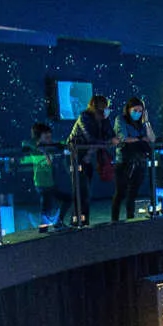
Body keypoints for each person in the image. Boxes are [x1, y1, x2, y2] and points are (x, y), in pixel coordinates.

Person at [65, 95, 114, 227]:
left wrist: (108, 141)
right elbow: (90, 138)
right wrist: (106, 142)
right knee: (81, 191)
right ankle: (77, 222)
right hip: (75, 157)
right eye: (104, 107)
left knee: (86, 191)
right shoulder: (84, 117)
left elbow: (111, 136)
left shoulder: (104, 119)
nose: (106, 110)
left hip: (88, 157)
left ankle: (84, 221)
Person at [110, 97, 155, 221]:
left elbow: (152, 138)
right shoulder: (121, 119)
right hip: (124, 161)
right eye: (135, 110)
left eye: (141, 111)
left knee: (133, 193)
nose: (138, 113)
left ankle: (130, 219)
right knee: (120, 193)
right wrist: (140, 139)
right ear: (128, 109)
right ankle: (114, 221)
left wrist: (146, 122)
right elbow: (123, 138)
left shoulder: (142, 123)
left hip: (140, 161)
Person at [20, 121, 65, 229]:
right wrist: (41, 149)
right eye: (47, 137)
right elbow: (25, 143)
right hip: (42, 183)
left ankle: (52, 224)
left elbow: (62, 143)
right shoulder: (35, 150)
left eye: (50, 137)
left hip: (50, 182)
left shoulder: (47, 147)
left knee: (54, 203)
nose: (50, 139)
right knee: (47, 206)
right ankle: (45, 227)